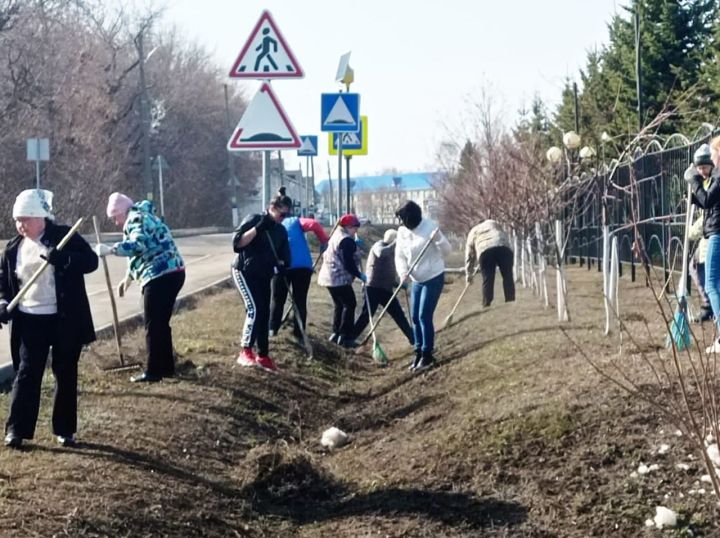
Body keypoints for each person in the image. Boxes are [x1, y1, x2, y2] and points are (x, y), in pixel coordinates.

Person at [1, 189, 98, 448]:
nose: (21, 225)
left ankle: (65, 430)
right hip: (31, 320)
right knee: (27, 373)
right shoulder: (13, 248)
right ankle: (17, 430)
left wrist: (64, 258)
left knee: (65, 372)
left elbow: (91, 262)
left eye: (26, 219)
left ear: (41, 217)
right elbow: (5, 284)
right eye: (17, 220)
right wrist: (3, 303)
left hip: (64, 318)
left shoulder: (64, 237)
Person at [94, 193, 185, 383]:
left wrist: (111, 250)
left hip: (160, 275)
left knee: (152, 324)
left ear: (123, 212)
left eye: (115, 218)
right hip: (173, 272)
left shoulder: (135, 218)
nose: (117, 223)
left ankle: (153, 372)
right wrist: (127, 278)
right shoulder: (143, 216)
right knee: (160, 323)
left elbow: (138, 245)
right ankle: (166, 368)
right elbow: (141, 253)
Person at [232, 190, 291, 372]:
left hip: (264, 274)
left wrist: (283, 264)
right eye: (282, 214)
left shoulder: (281, 230)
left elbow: (285, 254)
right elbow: (237, 244)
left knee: (264, 313)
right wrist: (258, 229)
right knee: (254, 309)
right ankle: (245, 350)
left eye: (287, 215)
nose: (284, 218)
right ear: (272, 208)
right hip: (244, 272)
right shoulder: (253, 219)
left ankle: (263, 354)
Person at [395, 200, 451, 372]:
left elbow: (447, 251)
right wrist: (403, 272)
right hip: (416, 279)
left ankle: (427, 354)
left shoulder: (430, 227)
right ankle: (418, 351)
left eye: (404, 219)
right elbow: (399, 256)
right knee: (414, 317)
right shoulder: (402, 232)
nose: (402, 223)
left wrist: (439, 239)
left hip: (433, 276)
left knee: (423, 316)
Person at [269, 193, 329, 340]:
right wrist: (324, 241)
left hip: (282, 266)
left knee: (277, 299)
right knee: (300, 300)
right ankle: (299, 332)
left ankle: (272, 329)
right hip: (303, 266)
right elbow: (314, 224)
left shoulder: (273, 223)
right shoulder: (296, 221)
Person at [353, 228, 414, 345]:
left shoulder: (392, 253)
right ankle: (351, 337)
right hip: (372, 288)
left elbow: (389, 276)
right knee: (366, 315)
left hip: (386, 289)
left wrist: (400, 285)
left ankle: (413, 338)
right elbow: (381, 253)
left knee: (399, 315)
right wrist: (397, 242)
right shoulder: (379, 246)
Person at [687, 136, 720, 353]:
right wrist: (693, 195)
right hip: (715, 230)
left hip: (718, 233)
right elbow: (708, 201)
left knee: (710, 283)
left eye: (714, 151)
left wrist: (694, 182)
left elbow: (708, 201)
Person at [318, 214, 366, 348]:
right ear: (348, 227)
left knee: (339, 304)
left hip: (327, 277)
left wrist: (355, 247)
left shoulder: (336, 235)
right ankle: (345, 337)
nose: (356, 231)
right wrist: (359, 274)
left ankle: (336, 332)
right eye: (355, 228)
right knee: (350, 304)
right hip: (338, 278)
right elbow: (348, 263)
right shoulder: (346, 240)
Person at [688, 144, 714, 322]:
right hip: (707, 234)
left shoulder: (715, 181)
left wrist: (691, 232)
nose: (702, 170)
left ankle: (708, 305)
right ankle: (708, 304)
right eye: (699, 168)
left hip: (711, 235)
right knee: (694, 266)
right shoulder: (706, 181)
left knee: (703, 271)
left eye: (705, 167)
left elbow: (708, 208)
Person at [464, 219, 515, 307]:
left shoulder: (473, 231)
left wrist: (469, 274)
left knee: (488, 277)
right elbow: (503, 233)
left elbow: (469, 255)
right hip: (503, 247)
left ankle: (487, 303)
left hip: (485, 250)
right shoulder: (493, 222)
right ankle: (510, 299)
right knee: (508, 275)